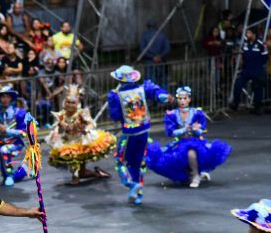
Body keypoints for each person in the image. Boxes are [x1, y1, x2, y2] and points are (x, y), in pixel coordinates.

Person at [146, 86, 231, 188]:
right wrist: (183, 130)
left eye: (185, 98)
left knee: (191, 152)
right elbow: (170, 132)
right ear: (177, 99)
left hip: (195, 142)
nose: (182, 101)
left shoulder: (196, 113)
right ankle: (192, 174)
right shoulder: (172, 114)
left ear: (189, 99)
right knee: (177, 157)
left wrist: (196, 130)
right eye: (180, 98)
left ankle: (196, 175)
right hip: (180, 142)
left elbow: (202, 131)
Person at [107, 65, 169, 206]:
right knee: (138, 162)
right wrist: (162, 96)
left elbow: (115, 116)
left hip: (129, 133)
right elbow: (158, 93)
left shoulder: (116, 95)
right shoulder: (142, 89)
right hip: (144, 132)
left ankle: (130, 184)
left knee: (121, 160)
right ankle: (138, 193)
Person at [46, 84, 116, 185]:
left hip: (81, 141)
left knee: (76, 161)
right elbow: (56, 125)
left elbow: (92, 123)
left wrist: (87, 129)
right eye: (68, 102)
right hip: (68, 140)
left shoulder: (82, 113)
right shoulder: (61, 114)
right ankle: (96, 173)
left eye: (73, 102)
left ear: (78, 102)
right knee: (80, 170)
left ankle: (76, 176)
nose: (70, 105)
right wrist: (55, 132)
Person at [0, 85, 30, 186]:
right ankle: (23, 171)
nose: (5, 99)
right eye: (2, 97)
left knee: (4, 151)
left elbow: (24, 132)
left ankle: (18, 172)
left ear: (11, 98)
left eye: (7, 96)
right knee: (4, 172)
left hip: (16, 144)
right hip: (1, 144)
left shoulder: (19, 113)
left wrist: (7, 130)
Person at [231, 29, 268, 114]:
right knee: (238, 84)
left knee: (257, 88)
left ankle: (258, 107)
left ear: (254, 34)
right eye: (247, 33)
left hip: (257, 69)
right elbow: (243, 54)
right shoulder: (245, 44)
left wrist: (258, 65)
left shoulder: (261, 44)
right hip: (246, 69)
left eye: (249, 33)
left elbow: (265, 58)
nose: (247, 34)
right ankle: (235, 103)